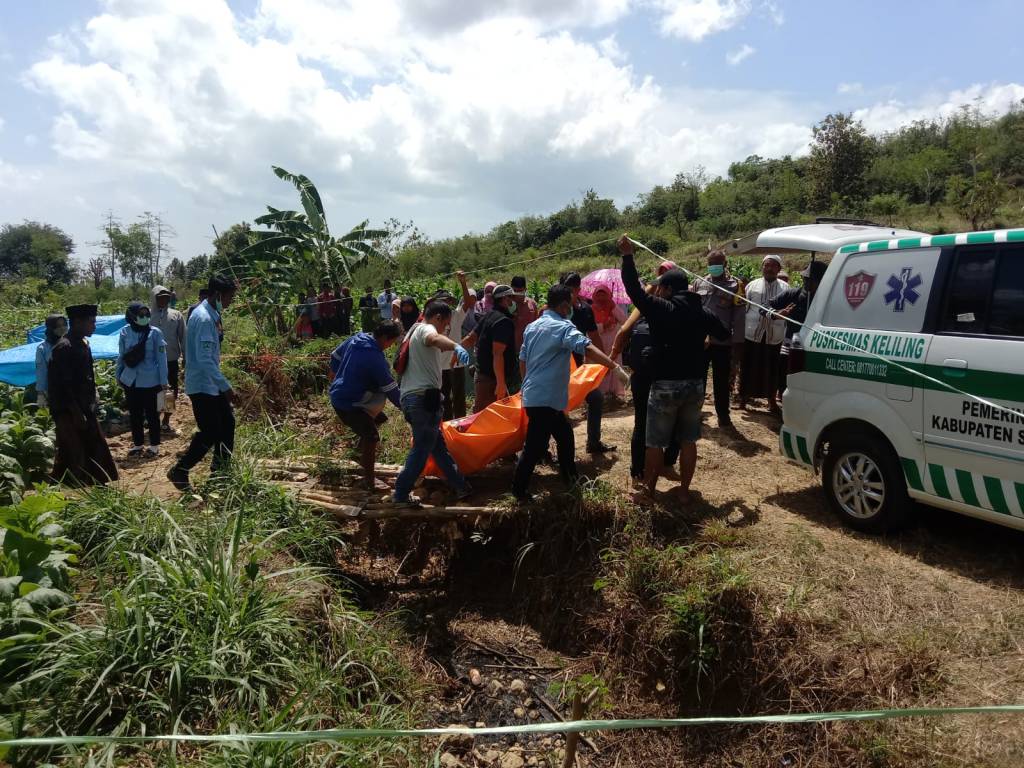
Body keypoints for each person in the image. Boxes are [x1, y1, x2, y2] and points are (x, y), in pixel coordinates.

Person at [618, 235, 729, 504]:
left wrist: (628, 257)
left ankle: (648, 492)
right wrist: (702, 338)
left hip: (666, 384)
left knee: (655, 441)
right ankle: (683, 492)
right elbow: (724, 334)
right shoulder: (703, 312)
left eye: (661, 287)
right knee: (688, 440)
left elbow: (633, 289)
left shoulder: (663, 308)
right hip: (694, 385)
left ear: (667, 289)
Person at [511, 285, 629, 502]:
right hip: (545, 397)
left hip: (538, 395)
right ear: (564, 305)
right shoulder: (563, 326)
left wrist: (527, 383)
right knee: (534, 446)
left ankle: (570, 478)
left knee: (565, 435)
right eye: (570, 305)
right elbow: (587, 346)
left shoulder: (533, 327)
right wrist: (613, 366)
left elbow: (523, 359)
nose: (571, 309)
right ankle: (519, 492)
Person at [391, 301, 471, 505]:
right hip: (422, 399)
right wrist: (455, 346)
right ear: (437, 318)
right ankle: (400, 494)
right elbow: (434, 338)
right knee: (421, 449)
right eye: (446, 324)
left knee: (437, 447)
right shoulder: (426, 329)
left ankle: (460, 486)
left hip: (417, 398)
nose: (446, 329)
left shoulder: (412, 332)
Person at [168, 275, 238, 493]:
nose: (230, 302)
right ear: (218, 294)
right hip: (202, 384)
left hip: (211, 383)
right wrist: (226, 386)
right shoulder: (204, 318)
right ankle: (180, 470)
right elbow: (205, 359)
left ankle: (220, 472)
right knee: (210, 431)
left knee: (227, 424)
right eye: (229, 297)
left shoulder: (211, 314)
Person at [329, 321, 404, 491]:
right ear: (384, 338)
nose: (390, 346)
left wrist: (335, 375)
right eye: (391, 342)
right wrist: (406, 408)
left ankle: (358, 454)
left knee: (379, 418)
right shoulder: (374, 357)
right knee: (371, 437)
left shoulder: (357, 338)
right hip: (349, 403)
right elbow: (390, 387)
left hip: (341, 396)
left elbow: (335, 356)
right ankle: (369, 481)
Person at [48, 304, 118, 487]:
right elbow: (63, 385)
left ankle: (96, 483)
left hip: (84, 405)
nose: (94, 326)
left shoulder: (82, 344)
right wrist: (76, 412)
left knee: (93, 445)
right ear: (77, 322)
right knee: (74, 449)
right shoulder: (63, 348)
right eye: (91, 322)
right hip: (69, 409)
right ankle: (72, 488)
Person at [611, 307, 681, 486]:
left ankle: (638, 474)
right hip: (664, 379)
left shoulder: (639, 317)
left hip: (640, 377)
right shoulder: (672, 315)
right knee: (674, 423)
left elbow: (622, 335)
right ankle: (665, 465)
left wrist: (612, 358)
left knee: (641, 424)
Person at [691, 249, 745, 429]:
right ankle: (694, 413)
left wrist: (737, 346)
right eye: (710, 264)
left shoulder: (735, 286)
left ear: (725, 264)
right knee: (698, 379)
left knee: (721, 381)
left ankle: (723, 415)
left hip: (723, 342)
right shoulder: (699, 282)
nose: (714, 267)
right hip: (701, 342)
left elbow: (739, 318)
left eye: (717, 263)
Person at [561, 272, 614, 453]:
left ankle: (593, 442)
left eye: (573, 289)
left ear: (578, 290)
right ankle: (544, 450)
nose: (570, 293)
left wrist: (604, 361)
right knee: (556, 410)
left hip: (577, 368)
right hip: (557, 368)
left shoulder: (584, 310)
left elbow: (594, 337)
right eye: (566, 289)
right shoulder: (555, 311)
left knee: (596, 398)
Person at [116, 302, 168, 458]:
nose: (145, 318)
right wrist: (118, 375)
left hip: (151, 381)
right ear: (132, 317)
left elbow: (162, 358)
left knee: (152, 414)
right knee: (135, 414)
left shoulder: (155, 333)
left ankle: (154, 446)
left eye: (147, 315)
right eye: (141, 315)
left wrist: (163, 380)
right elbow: (121, 356)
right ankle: (138, 444)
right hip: (130, 380)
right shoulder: (124, 332)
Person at [739, 255, 789, 416]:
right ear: (762, 267)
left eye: (773, 266)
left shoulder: (786, 289)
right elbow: (743, 308)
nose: (769, 268)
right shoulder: (752, 286)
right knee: (748, 366)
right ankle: (743, 399)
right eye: (766, 265)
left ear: (779, 269)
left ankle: (771, 401)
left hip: (774, 335)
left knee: (773, 369)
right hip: (752, 333)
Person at [771, 260, 828, 395]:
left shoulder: (826, 299)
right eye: (805, 278)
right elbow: (767, 306)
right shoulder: (793, 294)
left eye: (811, 280)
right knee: (785, 373)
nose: (806, 282)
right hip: (790, 342)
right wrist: (776, 314)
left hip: (814, 345)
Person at [465, 284, 517, 413]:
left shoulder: (489, 315)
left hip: (483, 374)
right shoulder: (503, 322)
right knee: (485, 416)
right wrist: (500, 383)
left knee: (490, 414)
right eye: (511, 298)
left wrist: (455, 350)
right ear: (505, 299)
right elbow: (497, 354)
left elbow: (470, 338)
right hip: (491, 379)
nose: (513, 301)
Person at [432, 271, 475, 420]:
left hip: (456, 363)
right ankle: (447, 425)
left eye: (447, 300)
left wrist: (463, 283)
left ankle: (461, 423)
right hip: (439, 364)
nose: (446, 303)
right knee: (444, 398)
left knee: (459, 396)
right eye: (442, 301)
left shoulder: (455, 315)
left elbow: (469, 303)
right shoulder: (431, 319)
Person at [151, 285, 185, 434]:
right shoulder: (147, 315)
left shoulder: (176, 315)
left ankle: (165, 421)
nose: (164, 300)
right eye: (160, 297)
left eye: (167, 297)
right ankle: (153, 420)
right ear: (154, 298)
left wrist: (186, 356)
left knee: (170, 391)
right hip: (151, 362)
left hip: (170, 360)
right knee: (153, 391)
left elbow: (183, 337)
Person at [590, 284, 627, 400]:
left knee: (615, 366)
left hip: (613, 343)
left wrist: (613, 307)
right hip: (598, 344)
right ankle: (602, 395)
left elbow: (625, 321)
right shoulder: (591, 310)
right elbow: (590, 329)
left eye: (604, 294)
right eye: (599, 295)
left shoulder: (613, 307)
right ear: (594, 296)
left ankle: (617, 393)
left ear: (609, 296)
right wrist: (603, 326)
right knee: (601, 367)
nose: (601, 298)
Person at [34, 314, 66, 408]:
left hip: (74, 388)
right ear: (51, 328)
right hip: (55, 389)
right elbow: (41, 371)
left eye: (64, 325)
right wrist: (41, 394)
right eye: (58, 326)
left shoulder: (71, 343)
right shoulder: (43, 349)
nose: (62, 328)